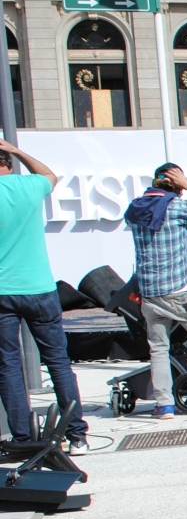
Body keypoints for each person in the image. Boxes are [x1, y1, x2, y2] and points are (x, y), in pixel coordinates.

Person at [124, 162, 187, 419]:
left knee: (158, 348)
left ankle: (164, 405)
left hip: (151, 293)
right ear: (176, 184)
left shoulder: (135, 209)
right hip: (181, 292)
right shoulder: (176, 207)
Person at [0, 138, 86, 450]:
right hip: (38, 287)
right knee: (58, 362)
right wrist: (18, 151)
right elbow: (50, 175)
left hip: (1, 291)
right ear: (8, 164)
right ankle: (77, 435)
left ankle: (23, 437)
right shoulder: (29, 187)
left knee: (8, 366)